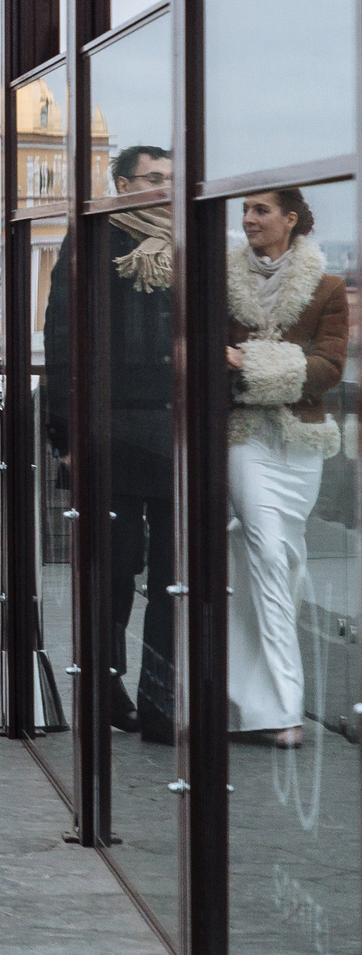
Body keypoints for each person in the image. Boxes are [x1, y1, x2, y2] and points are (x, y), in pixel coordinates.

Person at [41, 146, 178, 744]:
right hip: (114, 431)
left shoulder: (190, 241)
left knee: (176, 577)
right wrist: (66, 436)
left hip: (175, 429)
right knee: (116, 569)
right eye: (153, 179)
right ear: (121, 185)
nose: (164, 188)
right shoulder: (92, 242)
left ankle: (160, 700)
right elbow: (63, 335)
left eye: (171, 179)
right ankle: (107, 684)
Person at [223, 185, 348, 747]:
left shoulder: (327, 287)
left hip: (299, 448)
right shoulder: (220, 282)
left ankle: (244, 704)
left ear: (290, 219)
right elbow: (203, 352)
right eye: (245, 210)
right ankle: (284, 711)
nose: (248, 219)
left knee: (278, 563)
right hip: (244, 440)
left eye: (260, 210)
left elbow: (329, 368)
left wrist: (252, 364)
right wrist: (275, 371)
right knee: (270, 555)